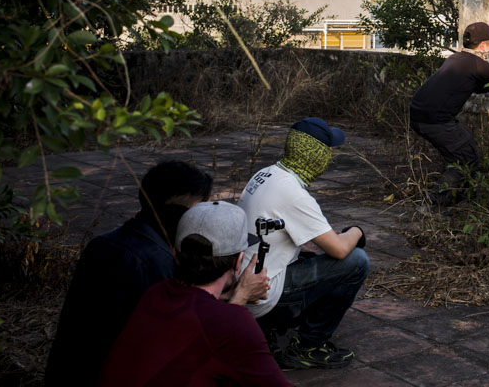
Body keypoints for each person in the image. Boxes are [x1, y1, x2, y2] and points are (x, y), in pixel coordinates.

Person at [46, 160, 268, 386]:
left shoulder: (106, 243)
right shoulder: (155, 263)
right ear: (178, 215)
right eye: (199, 211)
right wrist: (238, 298)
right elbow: (193, 344)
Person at [97, 200, 291, 387]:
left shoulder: (155, 293)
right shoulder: (232, 322)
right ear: (239, 260)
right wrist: (240, 297)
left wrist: (231, 296)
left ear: (175, 252)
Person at [238, 118, 369, 370]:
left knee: (310, 259)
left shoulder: (267, 173)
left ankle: (269, 327)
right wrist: (357, 230)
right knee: (355, 262)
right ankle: (308, 346)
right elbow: (339, 249)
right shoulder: (293, 194)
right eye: (328, 151)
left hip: (244, 283)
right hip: (262, 296)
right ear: (317, 156)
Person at [409, 21, 489, 206]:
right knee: (466, 159)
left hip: (419, 115)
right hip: (436, 120)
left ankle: (457, 199)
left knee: (463, 155)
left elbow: (481, 86)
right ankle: (433, 205)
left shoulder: (456, 59)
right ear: (483, 45)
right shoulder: (479, 65)